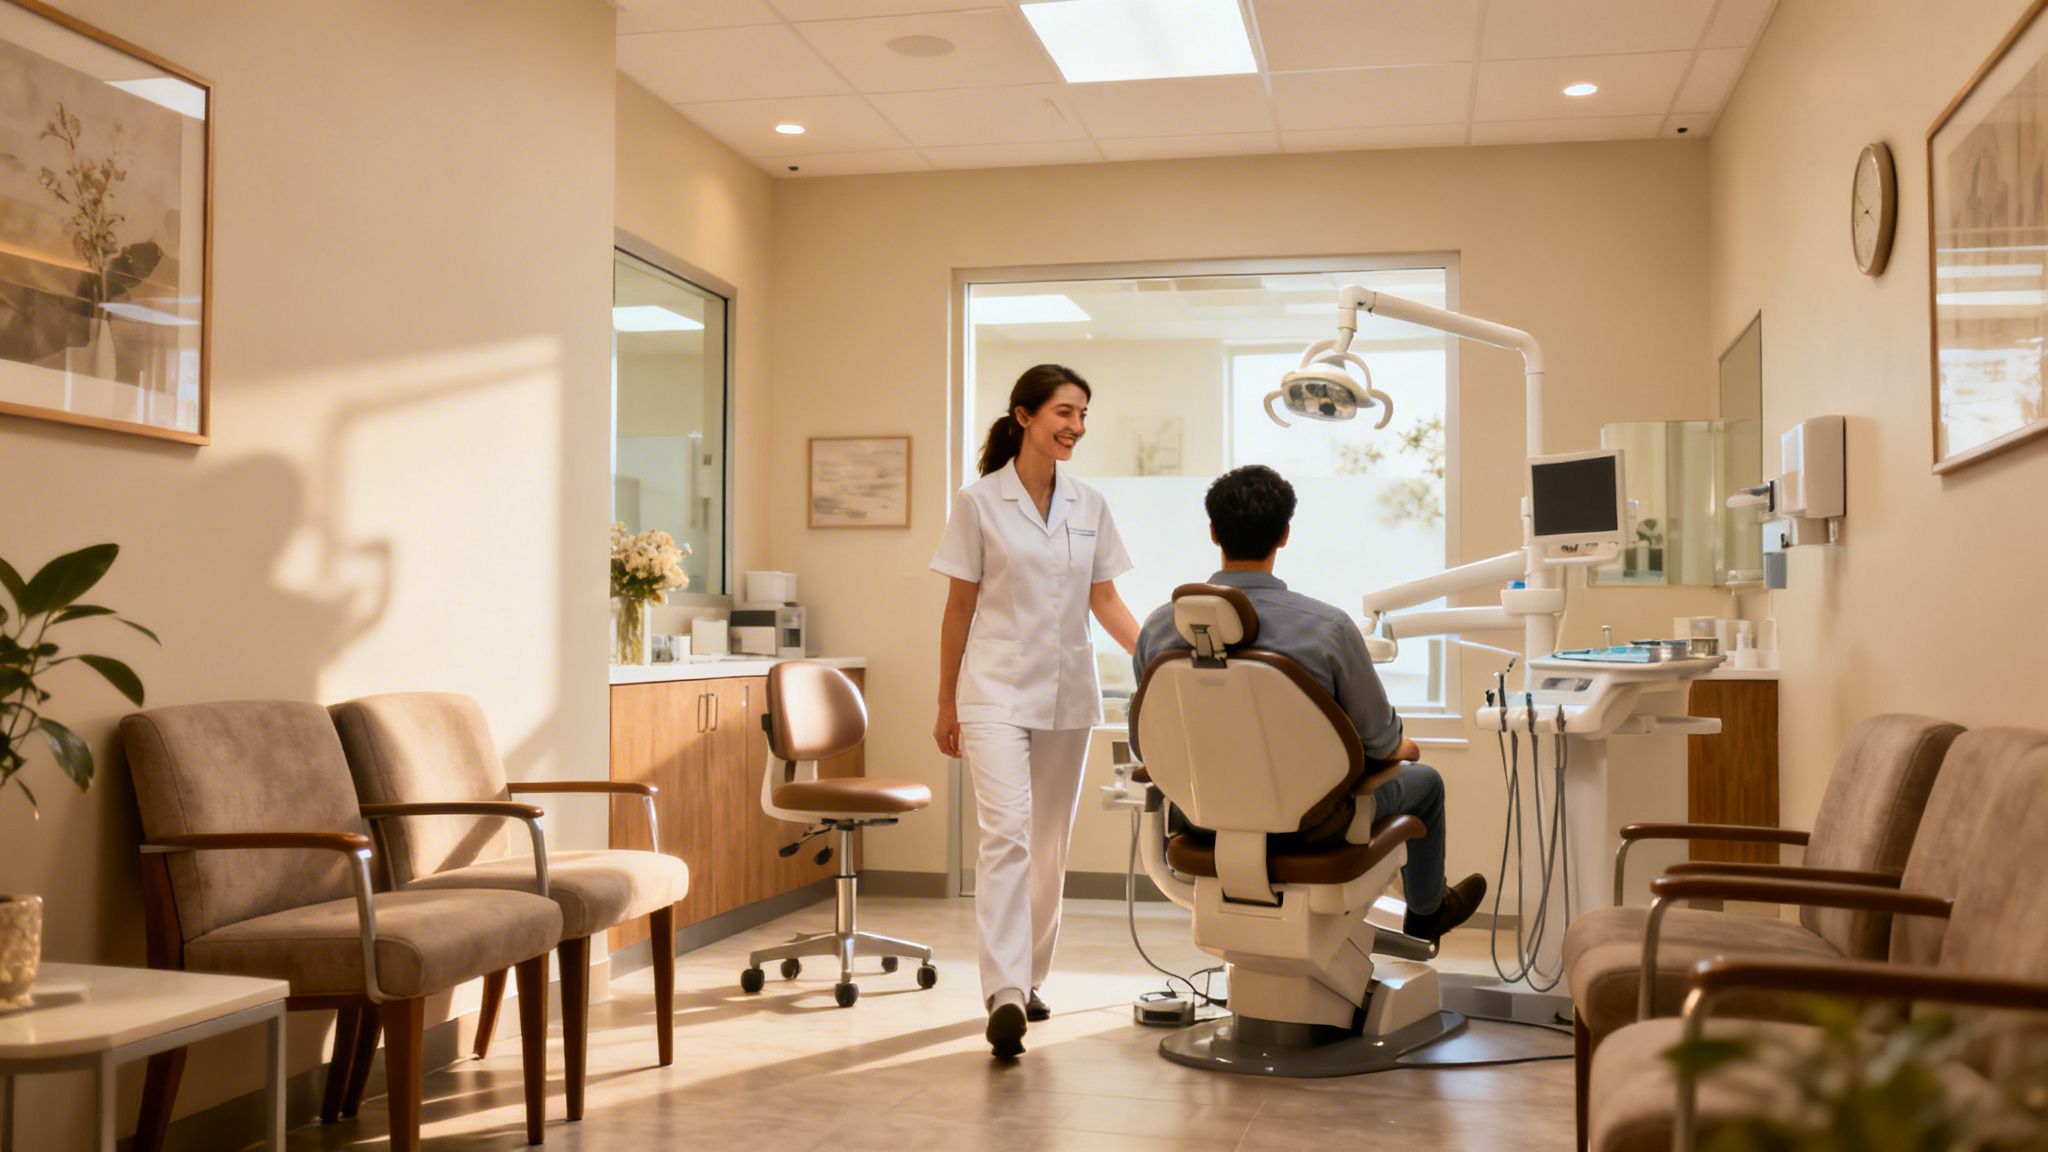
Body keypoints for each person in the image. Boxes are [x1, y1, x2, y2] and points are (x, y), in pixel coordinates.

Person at [1132, 464, 1485, 944]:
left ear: (1213, 531)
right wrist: (1404, 749)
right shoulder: (1328, 629)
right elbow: (1380, 741)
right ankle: (1427, 913)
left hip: (1203, 821)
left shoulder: (1158, 629)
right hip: (1312, 828)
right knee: (1424, 781)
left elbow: (1147, 743)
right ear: (1284, 535)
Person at [931, 364, 1142, 1059]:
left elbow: (1104, 600)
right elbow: (959, 606)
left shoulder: (1089, 503)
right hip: (991, 690)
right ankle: (1004, 993)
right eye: (1063, 412)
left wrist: (1158, 654)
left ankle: (1032, 977)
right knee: (1009, 834)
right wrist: (944, 700)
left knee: (1048, 845)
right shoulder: (979, 503)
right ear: (1023, 416)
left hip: (1069, 693)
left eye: (1083, 415)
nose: (1075, 427)